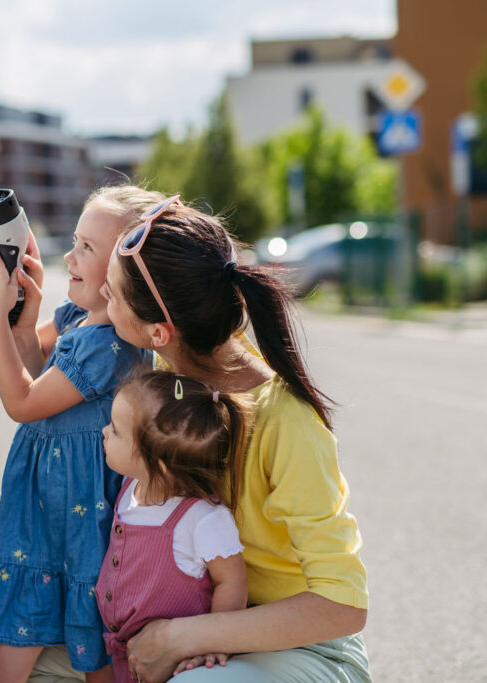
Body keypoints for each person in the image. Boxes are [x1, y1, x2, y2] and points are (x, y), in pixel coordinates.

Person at [99, 195, 371, 682]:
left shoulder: (288, 424)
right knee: (28, 653)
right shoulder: (177, 366)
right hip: (206, 625)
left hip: (306, 648)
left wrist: (184, 638)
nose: (104, 300)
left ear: (159, 332)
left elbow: (343, 606)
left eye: (113, 295)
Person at [0, 186, 162, 682]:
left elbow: (22, 402)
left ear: (125, 275)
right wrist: (21, 316)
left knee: (90, 652)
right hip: (45, 509)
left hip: (76, 516)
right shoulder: (76, 318)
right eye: (75, 241)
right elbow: (31, 364)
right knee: (10, 654)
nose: (69, 256)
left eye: (88, 249)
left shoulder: (108, 342)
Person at [96, 370, 250, 683]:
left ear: (159, 466)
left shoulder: (201, 519)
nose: (104, 431)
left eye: (116, 430)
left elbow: (232, 581)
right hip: (123, 652)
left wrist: (214, 639)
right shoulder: (130, 487)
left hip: (173, 663)